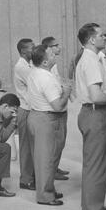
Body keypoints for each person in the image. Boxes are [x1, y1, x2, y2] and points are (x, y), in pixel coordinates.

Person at [75, 23, 106, 210]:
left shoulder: (93, 58)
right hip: (96, 113)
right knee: (96, 164)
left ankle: (94, 203)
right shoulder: (90, 61)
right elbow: (97, 96)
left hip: (97, 113)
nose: (104, 38)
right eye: (100, 35)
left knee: (100, 162)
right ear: (91, 39)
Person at [27, 45, 72, 206]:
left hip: (40, 117)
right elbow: (58, 106)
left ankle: (48, 189)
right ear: (45, 62)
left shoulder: (37, 72)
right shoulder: (45, 77)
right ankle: (45, 195)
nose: (55, 54)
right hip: (48, 119)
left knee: (48, 157)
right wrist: (66, 92)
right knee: (46, 159)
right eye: (51, 54)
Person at [41, 36, 70, 181]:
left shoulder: (54, 65)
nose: (59, 47)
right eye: (55, 45)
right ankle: (51, 171)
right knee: (55, 143)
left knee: (60, 141)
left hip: (61, 104)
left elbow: (58, 81)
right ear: (48, 48)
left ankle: (55, 167)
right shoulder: (45, 67)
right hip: (54, 108)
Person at [13, 38, 35, 191]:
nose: (34, 50)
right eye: (31, 48)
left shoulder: (29, 64)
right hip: (25, 109)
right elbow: (36, 81)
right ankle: (25, 179)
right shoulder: (21, 67)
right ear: (23, 51)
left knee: (32, 145)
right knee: (26, 147)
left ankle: (31, 176)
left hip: (30, 108)